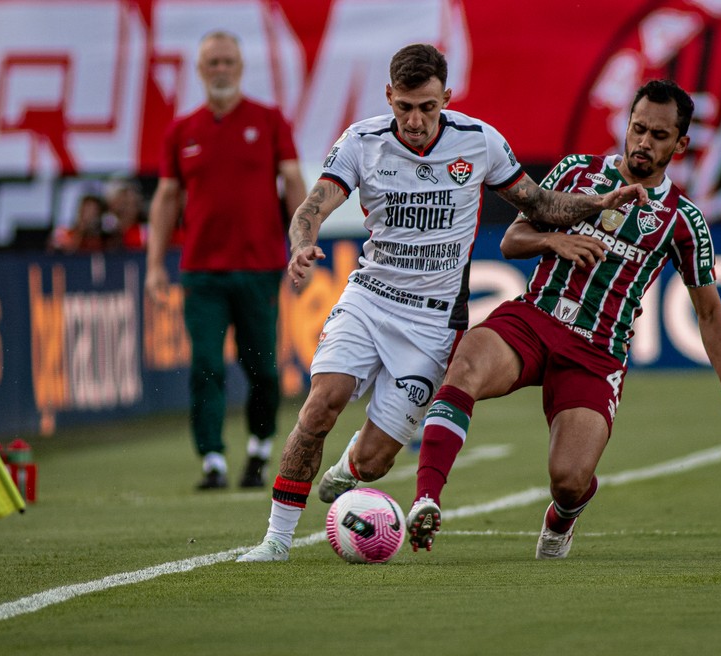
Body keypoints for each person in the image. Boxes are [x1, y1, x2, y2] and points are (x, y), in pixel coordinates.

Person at [237, 43, 647, 562]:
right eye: (404, 106)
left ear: (446, 98)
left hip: (433, 326)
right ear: (389, 95)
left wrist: (597, 203)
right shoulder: (361, 141)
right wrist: (300, 243)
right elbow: (313, 205)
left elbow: (538, 202)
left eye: (427, 107)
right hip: (370, 300)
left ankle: (350, 468)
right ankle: (275, 540)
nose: (414, 120)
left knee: (378, 459)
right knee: (323, 402)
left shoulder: (478, 142)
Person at [404, 79, 721, 559]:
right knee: (466, 366)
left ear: (680, 144)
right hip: (534, 319)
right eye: (638, 128)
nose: (643, 142)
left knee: (569, 480)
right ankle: (426, 500)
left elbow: (709, 311)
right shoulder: (579, 171)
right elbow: (511, 241)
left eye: (659, 136)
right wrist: (553, 240)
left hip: (596, 353)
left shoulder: (683, 220)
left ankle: (562, 517)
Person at [145, 30, 306, 490]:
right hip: (201, 271)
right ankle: (212, 458)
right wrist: (156, 264)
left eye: (227, 61)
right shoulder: (182, 131)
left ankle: (258, 448)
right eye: (211, 62)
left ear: (240, 67)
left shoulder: (269, 120)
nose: (220, 69)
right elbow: (167, 198)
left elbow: (293, 183)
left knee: (263, 369)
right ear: (200, 70)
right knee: (206, 366)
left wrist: (300, 241)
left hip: (258, 267)